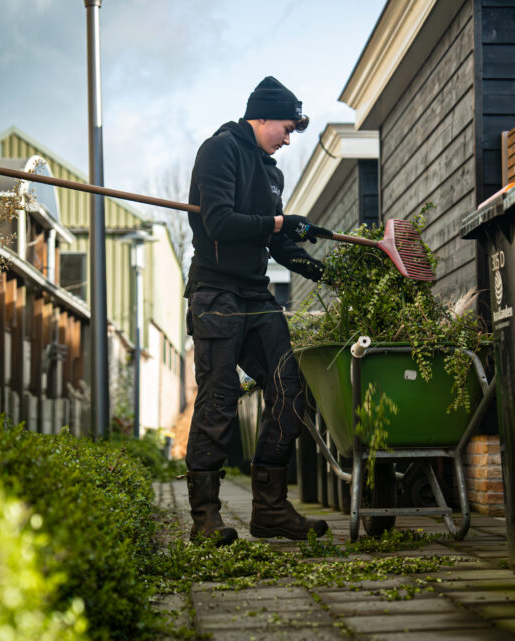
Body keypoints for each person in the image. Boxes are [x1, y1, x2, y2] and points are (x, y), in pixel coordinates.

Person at [184, 76, 331, 545]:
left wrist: (325, 267)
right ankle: (205, 517)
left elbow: (276, 242)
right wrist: (278, 221)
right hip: (215, 293)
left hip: (254, 296)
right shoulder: (219, 151)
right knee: (219, 397)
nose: (289, 140)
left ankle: (270, 509)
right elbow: (220, 223)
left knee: (291, 387)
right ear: (262, 116)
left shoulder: (272, 174)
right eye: (286, 128)